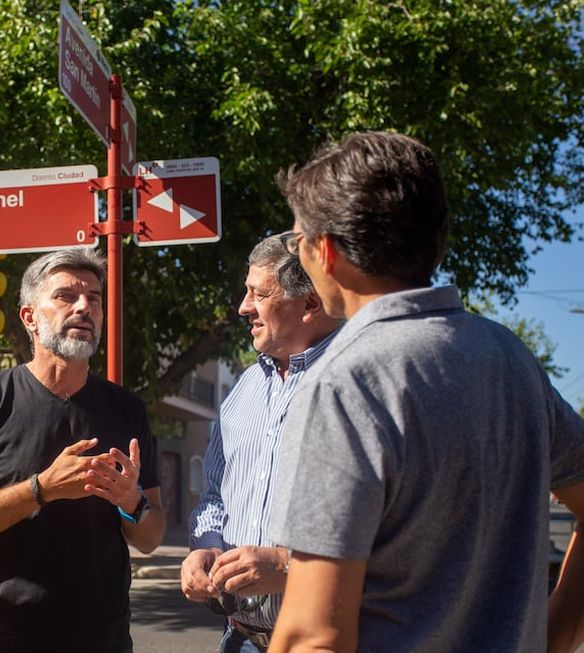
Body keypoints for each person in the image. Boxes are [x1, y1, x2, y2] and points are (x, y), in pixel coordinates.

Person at [265, 131, 584, 652]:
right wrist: (561, 630)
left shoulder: (347, 380)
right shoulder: (510, 357)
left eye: (299, 240)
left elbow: (312, 636)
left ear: (327, 251)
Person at [0, 248, 165, 653]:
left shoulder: (127, 409)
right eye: (65, 296)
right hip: (5, 638)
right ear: (30, 318)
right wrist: (41, 489)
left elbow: (150, 536)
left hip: (103, 640)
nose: (84, 307)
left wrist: (133, 502)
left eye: (94, 298)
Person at [181, 234, 340, 653]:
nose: (243, 307)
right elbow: (214, 494)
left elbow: (396, 525)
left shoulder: (357, 380)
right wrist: (207, 547)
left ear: (310, 304)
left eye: (259, 294)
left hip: (326, 640)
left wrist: (291, 566)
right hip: (240, 638)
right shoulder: (242, 390)